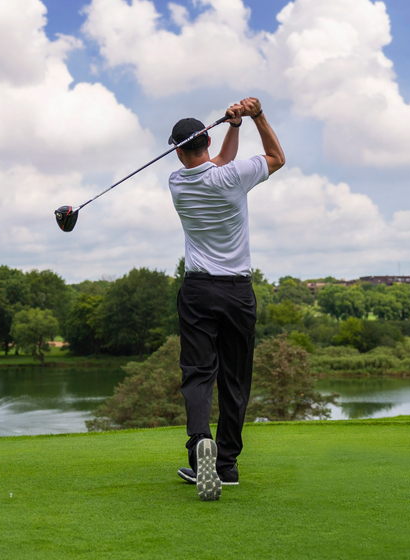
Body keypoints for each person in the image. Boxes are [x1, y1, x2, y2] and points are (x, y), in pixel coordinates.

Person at [168, 97, 285, 501]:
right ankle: (227, 464)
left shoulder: (177, 183)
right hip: (237, 291)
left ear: (180, 150)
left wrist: (231, 128)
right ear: (206, 140)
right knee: (235, 379)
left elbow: (211, 163)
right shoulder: (235, 176)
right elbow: (276, 156)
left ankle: (200, 440)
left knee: (199, 373)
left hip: (198, 289)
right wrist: (256, 117)